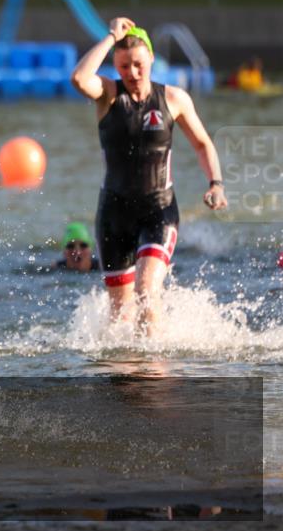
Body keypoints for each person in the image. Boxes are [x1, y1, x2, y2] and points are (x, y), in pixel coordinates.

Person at [70, 17, 228, 333]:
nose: (133, 73)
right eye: (124, 66)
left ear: (152, 59)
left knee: (146, 291)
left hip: (159, 210)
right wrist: (111, 36)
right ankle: (129, 376)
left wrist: (216, 183)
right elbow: (78, 78)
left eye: (139, 64)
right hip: (113, 215)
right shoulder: (108, 95)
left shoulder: (173, 99)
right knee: (119, 315)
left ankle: (155, 377)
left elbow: (202, 143)